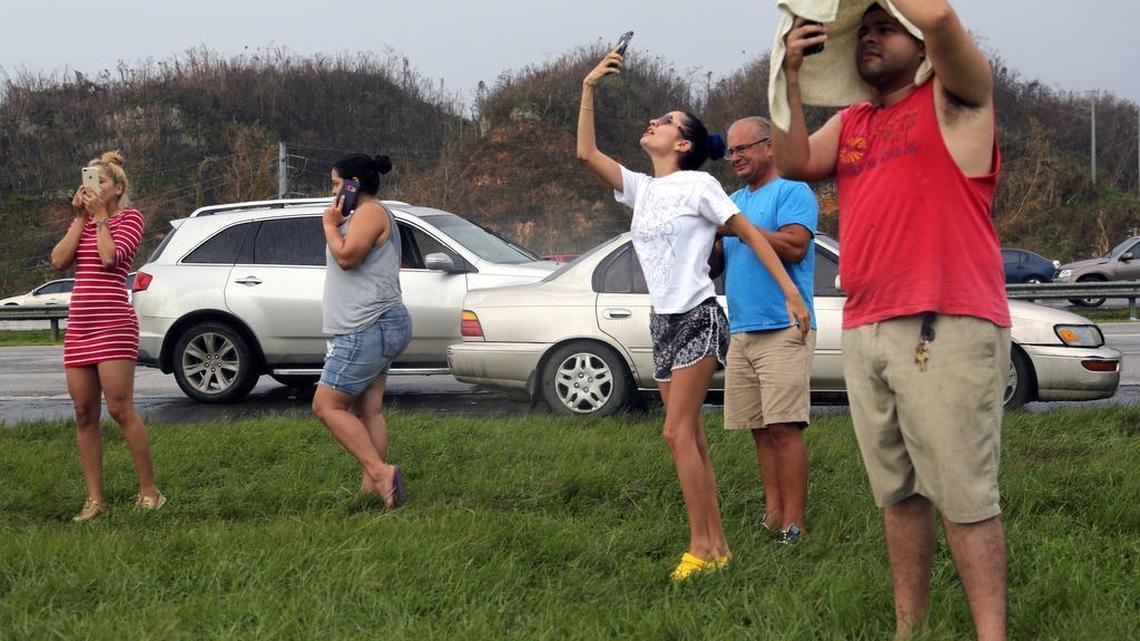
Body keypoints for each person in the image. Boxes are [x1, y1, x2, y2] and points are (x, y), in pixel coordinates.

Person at [774, 2, 1010, 639]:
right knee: (897, 493)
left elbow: (937, 17)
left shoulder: (957, 99)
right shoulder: (853, 120)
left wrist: (917, 19)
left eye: (884, 27)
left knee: (964, 498)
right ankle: (912, 629)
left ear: (920, 45)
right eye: (863, 29)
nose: (869, 38)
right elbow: (794, 162)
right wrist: (792, 78)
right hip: (867, 323)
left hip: (946, 319)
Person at [577, 49, 811, 582]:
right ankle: (718, 545)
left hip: (699, 317)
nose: (653, 123)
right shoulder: (643, 188)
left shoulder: (701, 186)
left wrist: (792, 295)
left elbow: (751, 234)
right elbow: (586, 152)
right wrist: (589, 88)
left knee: (675, 433)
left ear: (682, 143)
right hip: (662, 321)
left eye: (665, 121)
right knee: (691, 438)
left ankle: (702, 549)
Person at [718, 116, 818, 544]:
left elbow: (796, 245)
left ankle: (794, 522)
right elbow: (717, 264)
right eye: (731, 151)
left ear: (770, 146)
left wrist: (739, 227)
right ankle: (772, 513)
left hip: (783, 326)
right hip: (741, 329)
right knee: (759, 428)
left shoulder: (793, 191)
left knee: (785, 426)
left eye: (744, 148)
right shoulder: (732, 199)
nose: (736, 157)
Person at [50, 151, 164, 522]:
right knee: (84, 413)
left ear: (117, 188)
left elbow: (109, 260)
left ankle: (150, 491)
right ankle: (94, 499)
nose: (93, 187)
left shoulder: (130, 218)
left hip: (113, 323)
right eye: (89, 180)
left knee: (119, 408)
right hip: (80, 325)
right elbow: (59, 260)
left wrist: (100, 220)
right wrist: (81, 219)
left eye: (100, 182)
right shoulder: (83, 221)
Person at [311, 153, 412, 509]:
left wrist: (328, 224)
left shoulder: (369, 212)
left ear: (354, 184)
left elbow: (347, 257)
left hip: (366, 325)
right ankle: (373, 488)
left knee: (326, 406)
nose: (333, 192)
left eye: (337, 184)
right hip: (377, 324)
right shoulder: (366, 214)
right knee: (368, 410)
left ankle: (380, 472)